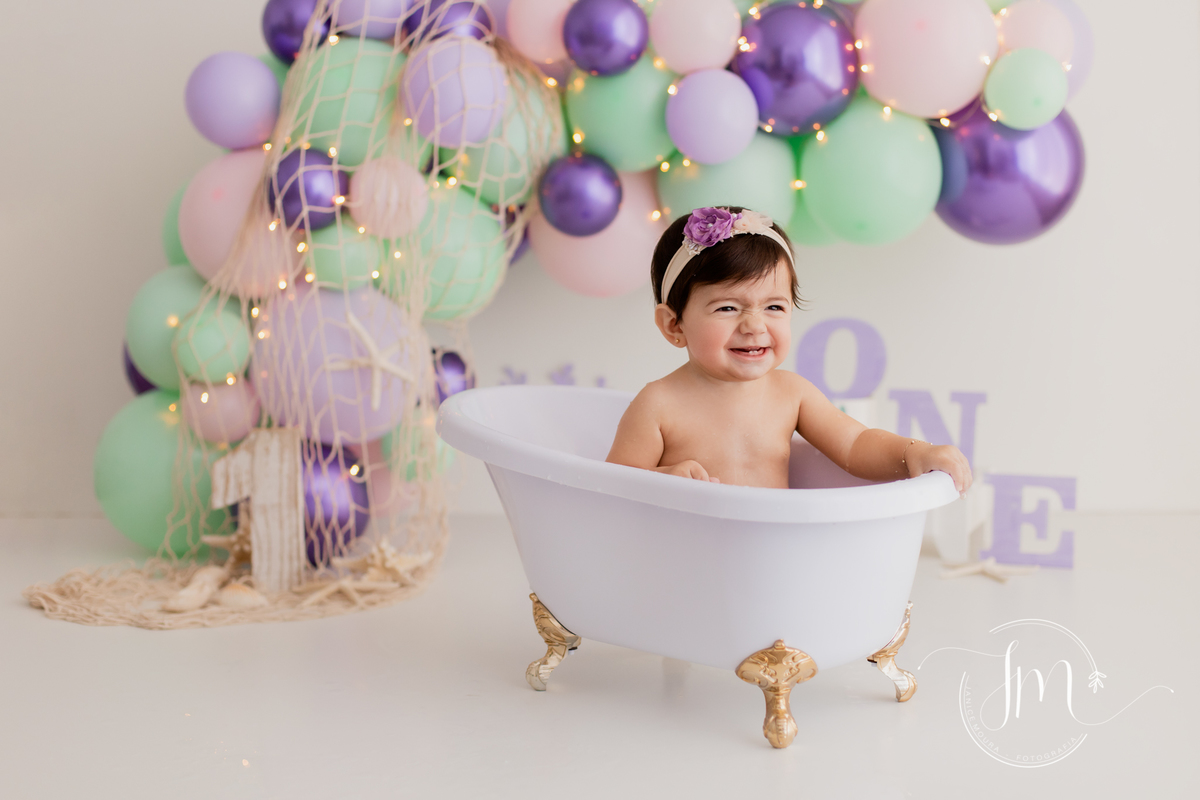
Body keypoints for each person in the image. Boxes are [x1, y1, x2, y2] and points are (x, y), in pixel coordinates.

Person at [605, 206, 972, 493]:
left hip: (774, 552)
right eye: (727, 308)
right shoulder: (658, 404)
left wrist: (914, 452)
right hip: (687, 554)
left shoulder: (791, 394)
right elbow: (610, 490)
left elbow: (855, 444)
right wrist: (664, 480)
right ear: (674, 324)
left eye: (774, 307)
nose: (754, 326)